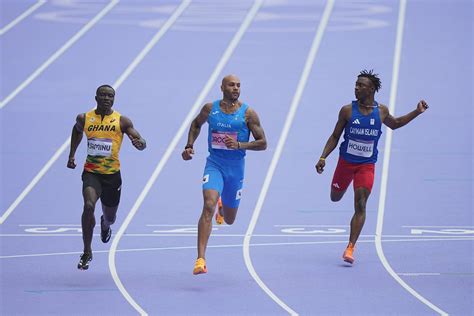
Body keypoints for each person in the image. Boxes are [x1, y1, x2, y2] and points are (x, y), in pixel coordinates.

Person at [315, 70, 428, 264]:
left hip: (366, 166)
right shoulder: (347, 111)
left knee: (360, 203)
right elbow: (335, 136)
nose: (356, 87)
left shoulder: (381, 111)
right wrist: (323, 157)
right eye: (356, 84)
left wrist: (416, 111)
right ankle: (340, 187)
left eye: (360, 85)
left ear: (372, 89)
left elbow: (396, 123)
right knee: (335, 197)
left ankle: (350, 247)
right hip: (345, 164)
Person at [182, 74, 267, 275]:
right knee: (208, 205)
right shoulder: (210, 109)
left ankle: (223, 206)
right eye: (231, 85)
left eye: (238, 85)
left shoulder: (248, 114)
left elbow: (263, 143)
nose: (236, 88)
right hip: (215, 165)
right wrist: (189, 145)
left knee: (229, 219)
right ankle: (200, 259)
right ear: (222, 88)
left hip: (235, 170)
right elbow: (196, 124)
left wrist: (240, 145)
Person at [67, 84, 146, 270]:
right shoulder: (85, 118)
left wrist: (140, 143)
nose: (106, 98)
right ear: (96, 98)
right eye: (102, 95)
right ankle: (87, 251)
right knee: (88, 206)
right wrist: (71, 155)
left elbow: (141, 140)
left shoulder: (121, 121)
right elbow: (77, 130)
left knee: (110, 216)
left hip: (112, 176)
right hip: (91, 173)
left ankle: (105, 224)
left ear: (114, 99)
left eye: (110, 96)